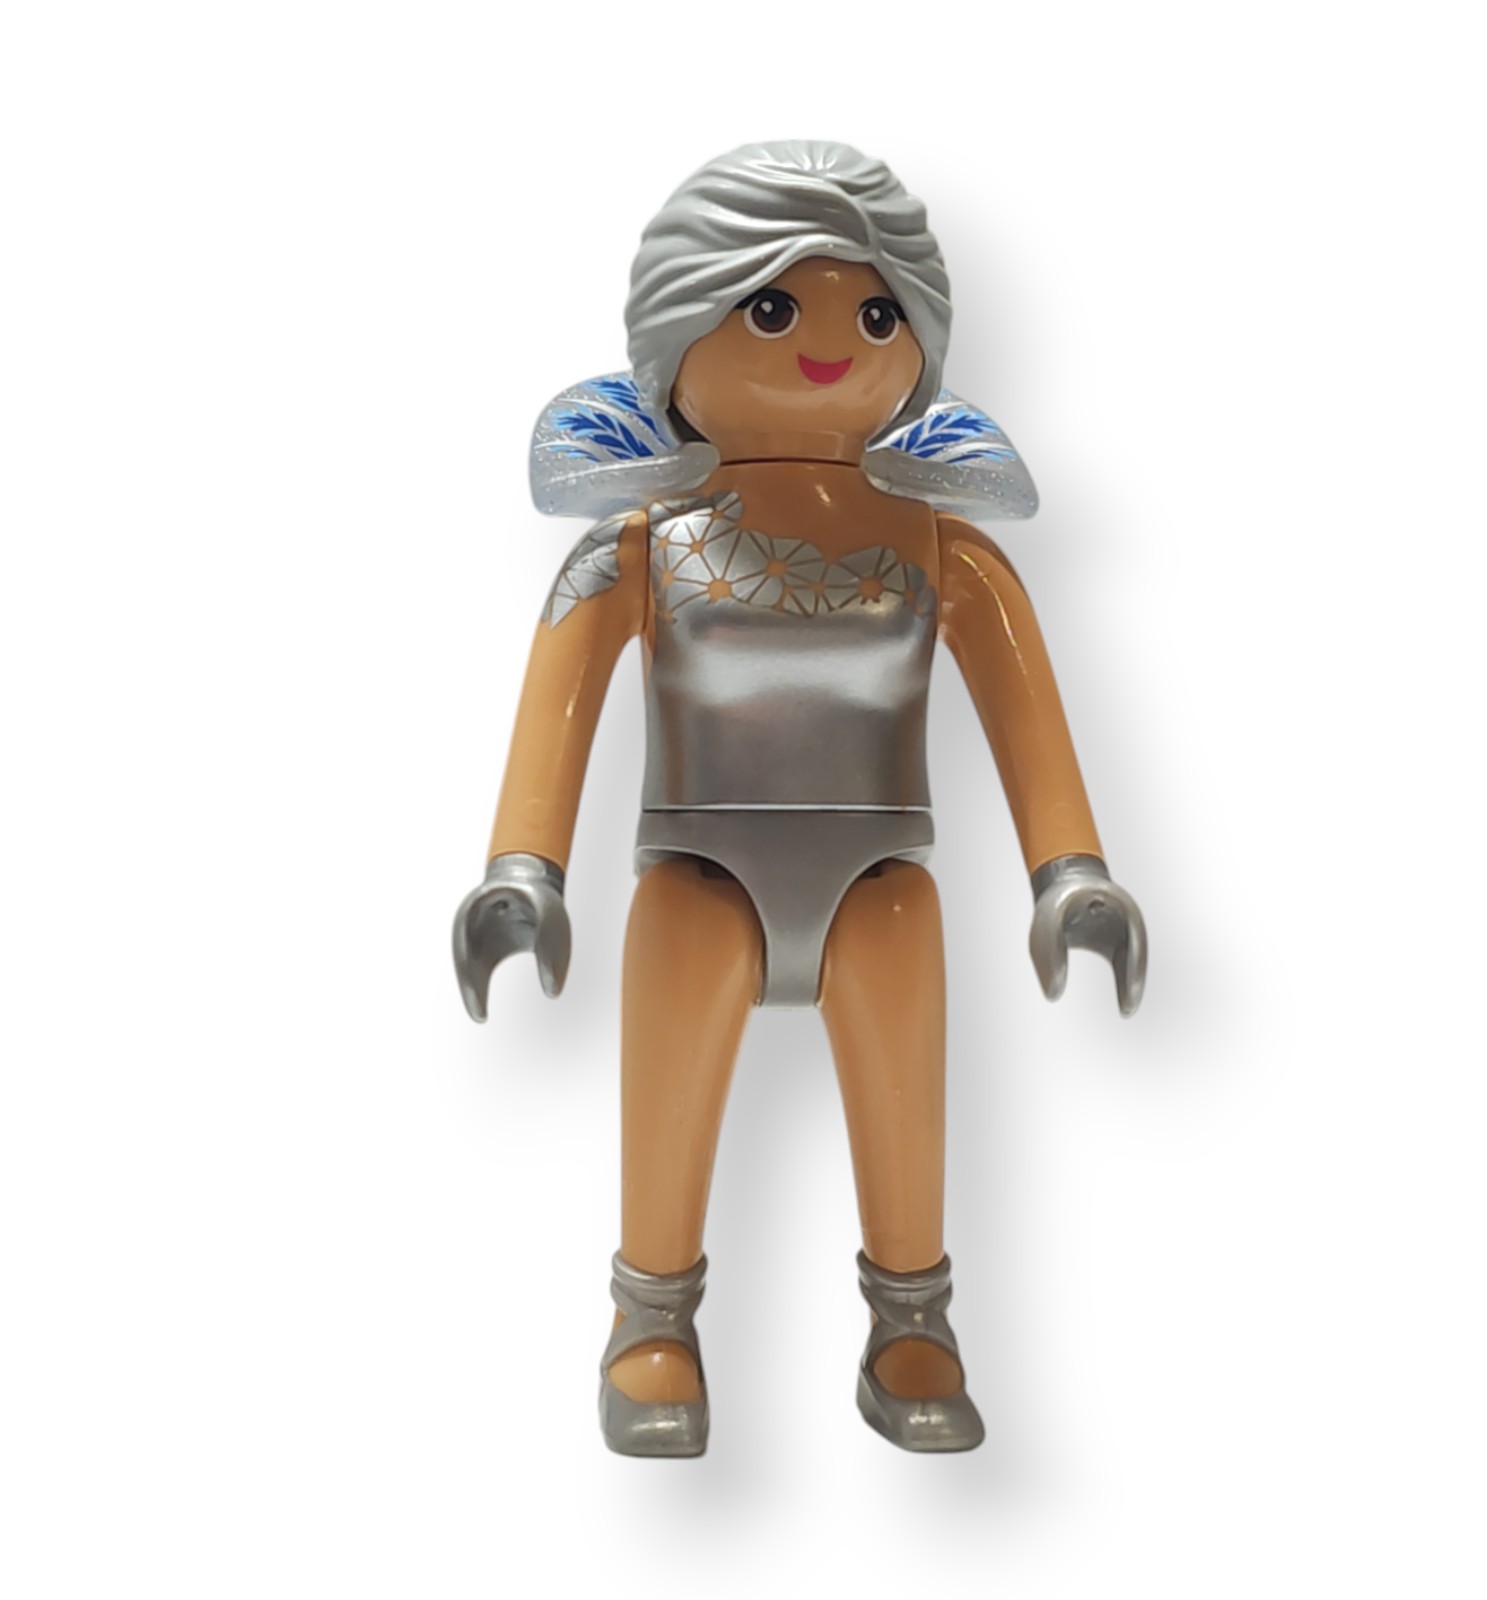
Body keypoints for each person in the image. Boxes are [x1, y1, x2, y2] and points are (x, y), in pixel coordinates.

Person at [453, 141, 1147, 1456]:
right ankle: (650, 1323)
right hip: (695, 875)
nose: (829, 342)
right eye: (771, 307)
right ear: (682, 329)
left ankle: (912, 1321)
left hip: (883, 883)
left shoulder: (944, 548)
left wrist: (1072, 873)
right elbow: (557, 706)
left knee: (904, 1086)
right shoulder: (640, 546)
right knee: (670, 1081)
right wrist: (521, 871)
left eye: (876, 316)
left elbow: (1027, 717)